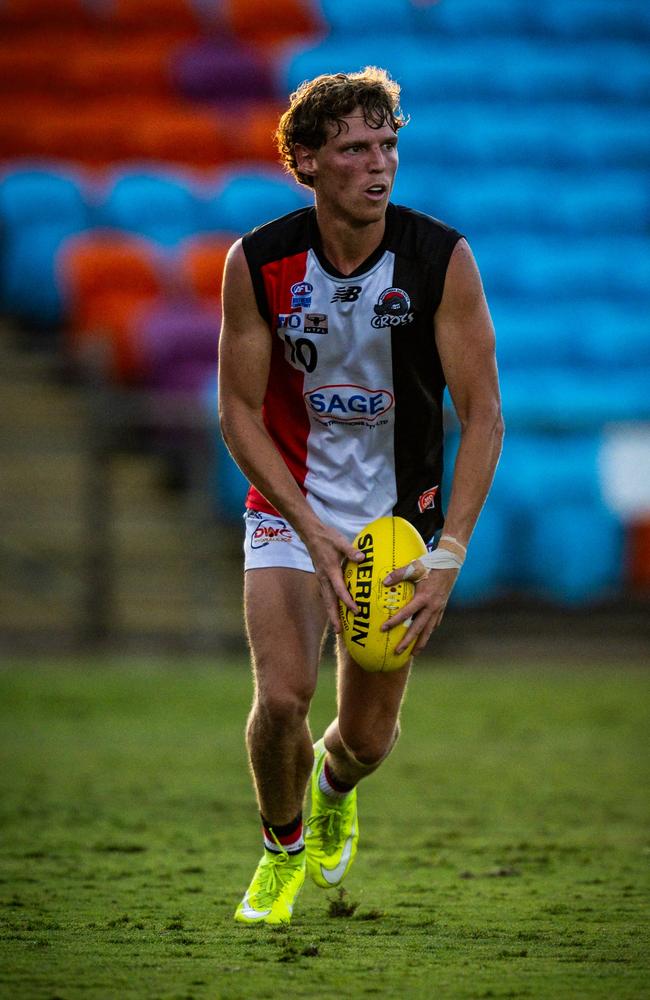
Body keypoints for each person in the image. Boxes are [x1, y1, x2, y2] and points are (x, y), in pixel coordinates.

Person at [218, 66, 504, 926]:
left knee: (367, 739)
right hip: (290, 506)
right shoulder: (258, 261)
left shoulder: (439, 258)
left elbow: (484, 417)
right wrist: (307, 527)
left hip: (399, 521)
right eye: (354, 149)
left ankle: (336, 786)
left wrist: (448, 554)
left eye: (389, 145)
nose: (380, 165)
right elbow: (236, 412)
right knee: (281, 701)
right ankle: (281, 847)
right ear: (305, 160)